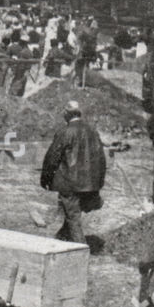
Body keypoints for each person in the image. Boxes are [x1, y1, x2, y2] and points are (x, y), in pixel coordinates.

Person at [40, 100, 107, 245]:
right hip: (89, 183)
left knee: (73, 217)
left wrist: (45, 179)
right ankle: (61, 237)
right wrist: (99, 182)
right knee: (71, 213)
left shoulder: (65, 132)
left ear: (66, 114)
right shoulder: (93, 132)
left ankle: (81, 250)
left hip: (69, 182)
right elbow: (102, 159)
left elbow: (52, 157)